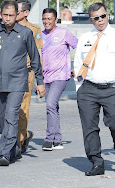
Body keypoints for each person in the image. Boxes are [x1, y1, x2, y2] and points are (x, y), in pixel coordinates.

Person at [74, 3, 115, 176]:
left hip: (111, 89)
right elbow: (78, 63)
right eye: (96, 18)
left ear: (107, 15)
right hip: (88, 89)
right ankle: (96, 162)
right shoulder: (85, 37)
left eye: (103, 16)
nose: (100, 20)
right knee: (89, 127)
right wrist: (79, 88)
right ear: (91, 20)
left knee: (113, 123)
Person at [0, 0, 45, 166]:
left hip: (18, 82)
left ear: (17, 15)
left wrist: (40, 81)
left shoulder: (26, 33)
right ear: (1, 14)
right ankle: (15, 149)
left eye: (11, 15)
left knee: (11, 116)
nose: (7, 18)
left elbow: (35, 58)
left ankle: (5, 153)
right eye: (5, 15)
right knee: (3, 119)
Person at [41, 8, 78, 151]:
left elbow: (79, 46)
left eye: (49, 18)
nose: (46, 21)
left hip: (61, 76)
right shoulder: (40, 35)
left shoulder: (64, 33)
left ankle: (49, 139)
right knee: (52, 107)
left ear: (55, 20)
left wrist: (79, 67)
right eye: (44, 18)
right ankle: (58, 140)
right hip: (46, 76)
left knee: (50, 104)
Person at [15, 0, 43, 153]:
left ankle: (18, 142)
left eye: (17, 11)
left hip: (27, 72)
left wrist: (41, 80)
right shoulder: (8, 27)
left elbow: (38, 54)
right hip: (10, 72)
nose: (13, 13)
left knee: (23, 107)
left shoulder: (34, 29)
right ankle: (23, 135)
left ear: (26, 13)